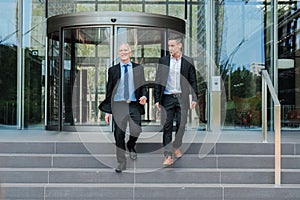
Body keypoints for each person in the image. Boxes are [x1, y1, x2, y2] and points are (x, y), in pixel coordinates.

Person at [99, 43, 148, 173]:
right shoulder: (113, 70)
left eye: (126, 50)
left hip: (133, 105)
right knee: (119, 134)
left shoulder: (138, 68)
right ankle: (121, 162)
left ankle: (131, 144)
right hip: (118, 105)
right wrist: (108, 111)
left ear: (130, 53)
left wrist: (144, 96)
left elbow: (143, 86)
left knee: (136, 130)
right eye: (121, 50)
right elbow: (109, 91)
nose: (123, 52)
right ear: (118, 53)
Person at [154, 36, 198, 167]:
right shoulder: (164, 61)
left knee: (181, 124)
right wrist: (157, 99)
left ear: (180, 46)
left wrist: (194, 98)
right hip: (167, 97)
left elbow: (193, 80)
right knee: (167, 126)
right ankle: (168, 155)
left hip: (182, 98)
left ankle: (176, 145)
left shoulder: (188, 61)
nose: (170, 49)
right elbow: (158, 81)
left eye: (172, 46)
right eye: (169, 46)